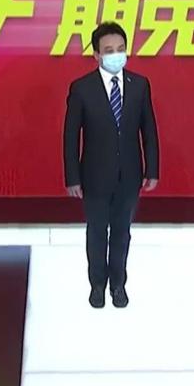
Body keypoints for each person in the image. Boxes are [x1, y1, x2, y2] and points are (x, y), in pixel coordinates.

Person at [63, 21, 159, 309]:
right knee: (96, 232)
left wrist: (152, 169)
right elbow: (70, 136)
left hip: (130, 175)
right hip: (94, 176)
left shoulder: (139, 85)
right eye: (109, 50)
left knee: (121, 232)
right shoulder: (82, 89)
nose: (116, 55)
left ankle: (118, 284)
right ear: (96, 55)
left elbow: (149, 130)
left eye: (120, 49)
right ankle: (97, 285)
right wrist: (72, 177)